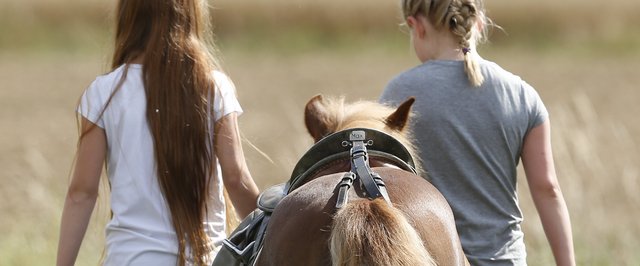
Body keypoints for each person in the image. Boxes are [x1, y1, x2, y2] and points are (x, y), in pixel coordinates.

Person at [56, 1, 260, 265]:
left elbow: (81, 193)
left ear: (129, 15)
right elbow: (236, 178)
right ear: (191, 14)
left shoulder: (104, 94)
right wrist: (270, 228)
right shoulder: (213, 88)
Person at [379, 0, 575, 265]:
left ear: (417, 26)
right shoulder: (522, 95)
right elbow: (547, 189)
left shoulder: (398, 94)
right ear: (479, 23)